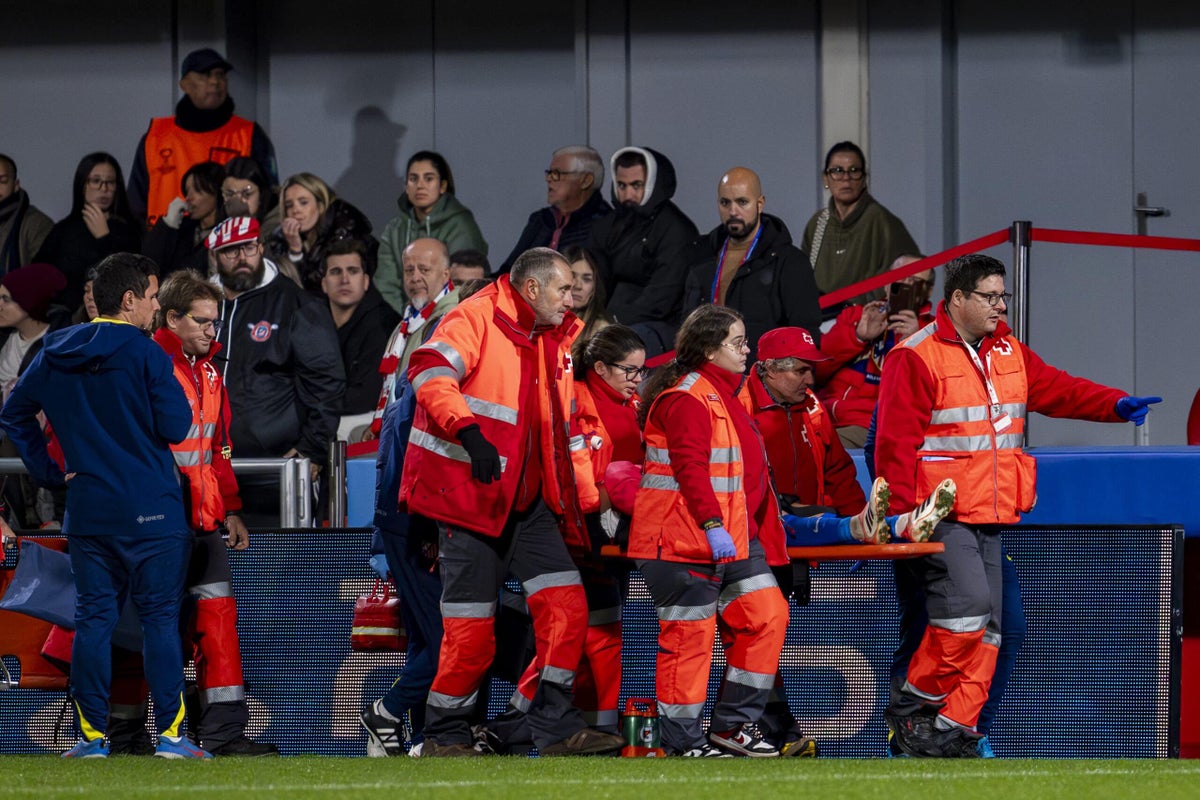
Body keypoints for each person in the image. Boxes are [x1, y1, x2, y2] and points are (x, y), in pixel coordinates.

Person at [876, 253, 1161, 758]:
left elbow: (1057, 389)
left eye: (1003, 296)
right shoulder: (915, 355)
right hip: (938, 518)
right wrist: (901, 519)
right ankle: (912, 711)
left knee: (995, 628)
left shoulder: (1007, 349)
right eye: (990, 296)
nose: (1000, 306)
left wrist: (1114, 405)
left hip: (992, 511)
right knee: (968, 613)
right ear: (957, 298)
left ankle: (952, 728)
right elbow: (893, 446)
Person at [399, 247, 625, 757]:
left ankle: (556, 728)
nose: (574, 298)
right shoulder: (473, 317)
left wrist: (585, 502)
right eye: (565, 289)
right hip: (468, 503)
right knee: (471, 633)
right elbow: (430, 370)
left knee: (568, 608)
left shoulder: (555, 338)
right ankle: (445, 736)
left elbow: (560, 431)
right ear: (532, 290)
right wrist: (470, 433)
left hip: (529, 505)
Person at [0, 252, 209, 759]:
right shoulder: (148, 354)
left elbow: (15, 414)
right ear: (131, 299)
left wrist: (51, 472)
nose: (158, 307)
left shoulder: (53, 349)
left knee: (94, 621)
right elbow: (178, 427)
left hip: (89, 509)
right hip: (152, 509)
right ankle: (172, 738)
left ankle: (92, 740)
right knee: (160, 621)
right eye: (154, 297)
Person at [102, 272, 275, 757]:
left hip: (202, 521)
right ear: (172, 318)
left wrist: (232, 508)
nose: (211, 331)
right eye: (201, 322)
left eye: (216, 323)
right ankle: (126, 735)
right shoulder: (146, 363)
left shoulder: (211, 371)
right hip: (154, 522)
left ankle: (222, 735)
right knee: (140, 628)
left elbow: (218, 448)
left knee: (217, 624)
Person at [626, 304, 790, 757]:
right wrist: (714, 525)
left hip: (731, 539)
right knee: (689, 642)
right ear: (710, 349)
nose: (747, 349)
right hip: (684, 539)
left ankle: (732, 727)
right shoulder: (687, 399)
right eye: (738, 342)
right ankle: (682, 743)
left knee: (768, 615)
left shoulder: (724, 395)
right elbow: (691, 470)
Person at [207, 216, 345, 526]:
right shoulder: (200, 305)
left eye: (249, 248)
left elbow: (327, 383)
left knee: (279, 572)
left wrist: (312, 448)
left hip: (276, 475)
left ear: (261, 247)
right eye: (231, 251)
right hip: (210, 471)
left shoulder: (295, 303)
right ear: (214, 256)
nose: (242, 258)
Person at [680, 167, 821, 362]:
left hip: (763, 379)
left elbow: (806, 332)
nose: (733, 211)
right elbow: (687, 328)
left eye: (742, 202)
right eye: (725, 202)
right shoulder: (701, 256)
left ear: (760, 204)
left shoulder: (789, 261)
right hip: (708, 376)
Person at [128, 48, 278, 228]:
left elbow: (270, 199)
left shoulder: (249, 135)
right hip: (164, 245)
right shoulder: (156, 137)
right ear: (184, 84)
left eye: (220, 75)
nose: (215, 82)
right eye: (205, 75)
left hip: (231, 246)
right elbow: (136, 205)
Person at [587, 147, 698, 355]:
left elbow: (661, 297)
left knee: (613, 348)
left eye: (636, 185)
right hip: (610, 321)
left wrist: (611, 323)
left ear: (653, 183)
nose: (628, 194)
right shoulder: (607, 226)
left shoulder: (677, 231)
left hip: (661, 327)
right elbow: (595, 280)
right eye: (622, 185)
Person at [815, 255, 935, 448]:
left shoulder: (931, 331)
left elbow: (926, 393)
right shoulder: (856, 316)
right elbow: (817, 370)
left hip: (872, 425)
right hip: (824, 416)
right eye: (899, 277)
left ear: (928, 291)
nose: (904, 284)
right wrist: (857, 337)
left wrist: (913, 341)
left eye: (913, 281)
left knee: (818, 448)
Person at [801, 141, 919, 307]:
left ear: (864, 178)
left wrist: (862, 304)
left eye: (854, 171)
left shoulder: (882, 221)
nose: (846, 178)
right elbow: (801, 278)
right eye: (837, 171)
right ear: (825, 179)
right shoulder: (818, 223)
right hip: (820, 319)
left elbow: (915, 274)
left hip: (865, 321)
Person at [375, 151, 488, 314]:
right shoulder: (395, 228)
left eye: (428, 178)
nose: (420, 185)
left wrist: (429, 318)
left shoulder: (462, 225)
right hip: (401, 319)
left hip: (450, 316)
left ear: (442, 186)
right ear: (406, 186)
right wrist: (410, 318)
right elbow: (386, 284)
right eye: (413, 179)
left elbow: (461, 283)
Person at [0, 263, 69, 527]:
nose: (0, 305)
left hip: (45, 457)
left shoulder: (59, 345)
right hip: (11, 463)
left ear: (28, 301)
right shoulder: (4, 343)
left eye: (7, 299)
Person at [367, 238, 458, 438]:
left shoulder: (453, 319)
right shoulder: (406, 323)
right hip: (404, 432)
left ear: (445, 274)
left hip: (431, 436)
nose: (415, 277)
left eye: (424, 270)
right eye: (409, 270)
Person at [35, 153, 141, 312]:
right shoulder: (63, 231)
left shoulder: (129, 230)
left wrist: (104, 238)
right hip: (67, 318)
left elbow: (133, 278)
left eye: (110, 182)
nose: (103, 189)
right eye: (96, 181)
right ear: (82, 184)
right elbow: (39, 274)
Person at [321, 238, 401, 441]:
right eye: (336, 272)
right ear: (324, 283)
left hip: (368, 416)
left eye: (353, 271)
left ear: (366, 281)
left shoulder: (382, 323)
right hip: (331, 410)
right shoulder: (315, 320)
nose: (344, 280)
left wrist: (314, 405)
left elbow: (366, 396)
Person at [499, 146, 611, 272]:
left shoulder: (606, 224)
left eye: (557, 174)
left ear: (585, 181)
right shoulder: (540, 219)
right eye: (549, 173)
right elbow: (510, 270)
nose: (548, 179)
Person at [264, 173, 378, 295]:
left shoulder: (345, 234)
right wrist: (293, 250)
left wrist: (296, 253)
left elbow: (321, 289)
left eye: (303, 202)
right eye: (289, 205)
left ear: (321, 205)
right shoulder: (281, 239)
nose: (295, 210)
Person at [142, 161, 225, 277]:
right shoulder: (182, 229)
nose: (188, 197)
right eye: (187, 191)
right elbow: (148, 263)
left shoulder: (227, 231)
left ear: (216, 191)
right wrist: (168, 223)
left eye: (197, 190)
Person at [0, 153, 53, 275]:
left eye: (2, 181)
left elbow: (45, 275)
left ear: (16, 185)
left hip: (16, 293)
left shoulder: (36, 224)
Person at [563, 247, 613, 354]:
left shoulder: (601, 330)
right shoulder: (541, 320)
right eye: (572, 276)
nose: (578, 286)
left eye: (586, 279)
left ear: (595, 287)